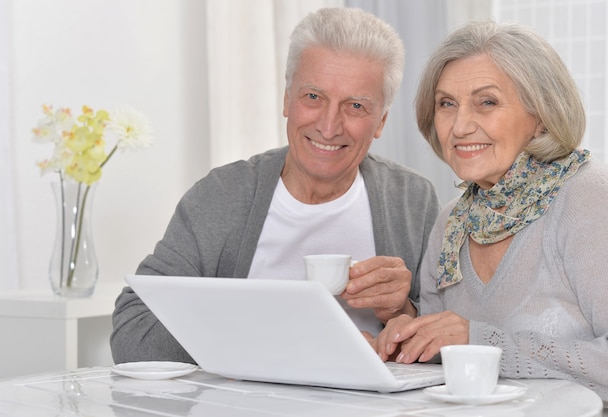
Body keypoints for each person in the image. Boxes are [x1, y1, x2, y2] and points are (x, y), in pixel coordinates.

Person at [111, 7, 440, 364]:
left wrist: (400, 310)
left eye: (356, 106)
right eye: (313, 97)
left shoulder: (412, 201)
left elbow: (453, 342)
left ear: (381, 121)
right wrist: (290, 342)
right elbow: (133, 331)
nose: (329, 127)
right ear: (286, 100)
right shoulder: (221, 196)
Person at [370, 21, 608, 411]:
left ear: (540, 114)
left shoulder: (590, 197)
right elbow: (445, 362)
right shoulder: (451, 223)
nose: (460, 125)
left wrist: (481, 341)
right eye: (446, 104)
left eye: (486, 102)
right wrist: (408, 336)